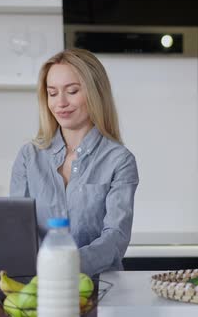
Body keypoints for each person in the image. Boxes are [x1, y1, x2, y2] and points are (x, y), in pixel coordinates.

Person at [10, 48, 139, 276]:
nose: (61, 102)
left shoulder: (119, 160)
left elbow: (116, 238)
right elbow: (16, 230)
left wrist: (66, 265)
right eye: (52, 93)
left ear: (95, 93)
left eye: (72, 91)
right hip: (39, 287)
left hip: (100, 289)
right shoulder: (29, 156)